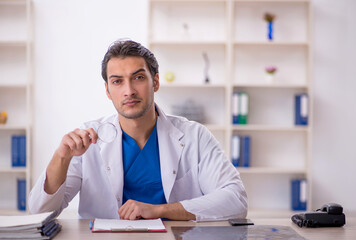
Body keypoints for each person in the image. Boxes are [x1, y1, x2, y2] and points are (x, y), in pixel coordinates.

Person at [29, 39, 248, 221]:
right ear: (107, 90)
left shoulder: (194, 136)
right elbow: (40, 212)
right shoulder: (88, 139)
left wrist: (159, 210)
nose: (129, 91)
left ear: (156, 82)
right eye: (117, 82)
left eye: (139, 78)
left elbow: (235, 200)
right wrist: (61, 157)